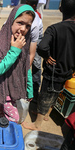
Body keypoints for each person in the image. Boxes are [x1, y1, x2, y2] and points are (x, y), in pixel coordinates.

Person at [22, 0, 75, 130]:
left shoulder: (54, 29)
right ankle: (47, 114)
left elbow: (42, 46)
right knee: (57, 93)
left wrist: (46, 56)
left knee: (45, 95)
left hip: (53, 72)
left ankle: (37, 123)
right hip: (69, 71)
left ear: (61, 9)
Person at [0, 4, 35, 123]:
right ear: (11, 21)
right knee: (14, 119)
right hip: (3, 90)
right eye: (20, 23)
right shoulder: (0, 42)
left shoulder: (23, 42)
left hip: (13, 89)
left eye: (28, 26)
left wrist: (29, 90)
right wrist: (15, 50)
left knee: (1, 115)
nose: (23, 29)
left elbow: (26, 68)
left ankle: (0, 132)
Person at [26, 0, 43, 104]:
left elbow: (32, 54)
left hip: (36, 39)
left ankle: (34, 93)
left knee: (35, 64)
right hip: (28, 36)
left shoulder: (36, 18)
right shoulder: (25, 13)